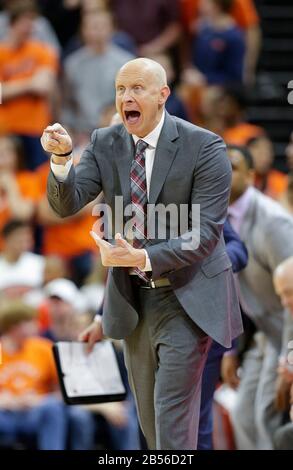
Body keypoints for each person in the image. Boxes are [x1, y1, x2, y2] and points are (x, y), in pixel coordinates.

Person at [42, 57, 242, 450]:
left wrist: (143, 258)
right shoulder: (104, 142)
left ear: (163, 95)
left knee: (171, 420)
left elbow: (203, 236)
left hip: (187, 297)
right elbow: (67, 205)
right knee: (151, 425)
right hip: (133, 300)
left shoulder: (204, 146)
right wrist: (62, 161)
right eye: (120, 89)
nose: (126, 97)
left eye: (137, 89)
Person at [221, 145, 293, 449]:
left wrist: (289, 361)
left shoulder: (273, 221)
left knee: (267, 418)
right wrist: (230, 349)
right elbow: (229, 288)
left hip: (286, 331)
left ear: (251, 176)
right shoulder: (216, 218)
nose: (224, 173)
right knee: (243, 415)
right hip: (261, 333)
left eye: (233, 167)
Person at [198, 218, 248, 450]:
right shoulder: (132, 197)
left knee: (196, 420)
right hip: (147, 325)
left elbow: (238, 248)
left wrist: (209, 266)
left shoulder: (201, 192)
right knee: (147, 420)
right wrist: (101, 316)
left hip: (203, 329)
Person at [0, 300, 67, 450]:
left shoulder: (42, 348)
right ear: (14, 326)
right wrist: (7, 401)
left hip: (35, 412)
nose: (37, 326)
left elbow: (63, 391)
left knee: (52, 407)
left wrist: (39, 400)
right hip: (5, 414)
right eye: (31, 322)